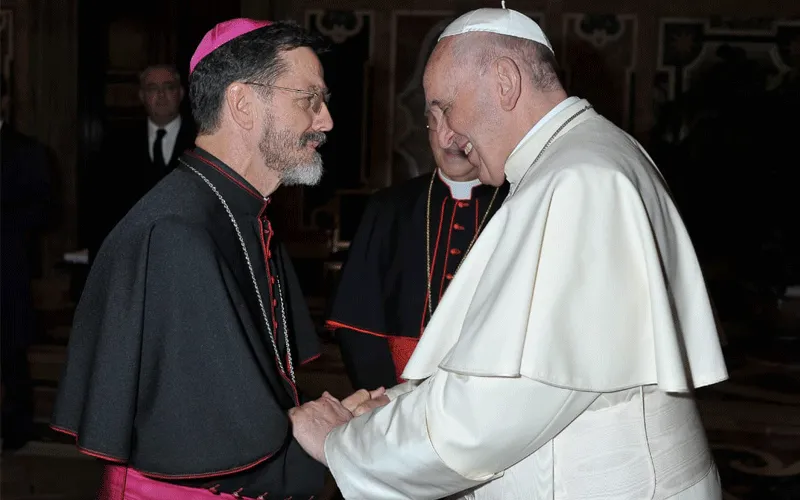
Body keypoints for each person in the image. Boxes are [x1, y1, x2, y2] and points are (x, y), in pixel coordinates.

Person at [288, 7, 729, 499]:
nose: (449, 136)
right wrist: (392, 406)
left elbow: (491, 412)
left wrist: (345, 441)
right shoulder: (588, 156)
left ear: (504, 81)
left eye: (447, 107)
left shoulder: (577, 180)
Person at [51, 19, 341, 499]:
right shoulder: (176, 232)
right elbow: (207, 439)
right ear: (244, 104)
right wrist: (340, 445)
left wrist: (329, 424)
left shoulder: (234, 209)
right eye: (308, 98)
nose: (325, 119)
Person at [326, 108, 509, 391]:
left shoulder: (518, 204)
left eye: (463, 123)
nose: (450, 140)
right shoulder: (388, 207)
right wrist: (389, 398)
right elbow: (357, 325)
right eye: (437, 122)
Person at [88, 64, 196, 261]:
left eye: (169, 87)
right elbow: (103, 205)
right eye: (153, 88)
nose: (161, 95)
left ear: (180, 93)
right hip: (133, 256)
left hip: (188, 254)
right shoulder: (117, 144)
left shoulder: (201, 141)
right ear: (141, 96)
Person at [1, 75, 53, 451]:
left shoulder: (27, 151)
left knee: (10, 354)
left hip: (6, 270)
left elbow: (46, 211)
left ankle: (16, 425)